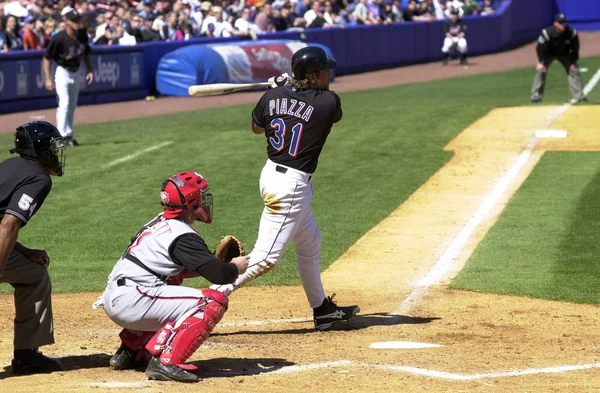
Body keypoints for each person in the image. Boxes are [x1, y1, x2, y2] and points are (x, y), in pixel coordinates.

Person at [211, 46, 360, 331]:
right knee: (266, 258)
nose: (330, 74)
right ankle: (207, 299)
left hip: (272, 176)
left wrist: (281, 91)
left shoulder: (271, 95)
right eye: (325, 71)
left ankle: (322, 309)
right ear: (313, 76)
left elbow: (257, 128)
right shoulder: (327, 102)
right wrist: (291, 89)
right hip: (289, 188)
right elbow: (330, 109)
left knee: (309, 243)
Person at [99, 172, 250, 383]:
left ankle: (131, 351)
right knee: (211, 302)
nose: (205, 200)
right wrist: (234, 267)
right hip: (134, 300)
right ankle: (167, 362)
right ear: (191, 202)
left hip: (117, 296)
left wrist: (214, 265)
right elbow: (221, 276)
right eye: (201, 196)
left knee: (173, 281)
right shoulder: (183, 235)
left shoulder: (160, 222)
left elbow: (182, 270)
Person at [0, 121, 66, 375]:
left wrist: (25, 253)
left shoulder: (8, 167)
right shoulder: (38, 178)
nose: (55, 150)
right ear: (38, 149)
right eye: (51, 146)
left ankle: (27, 355)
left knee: (34, 274)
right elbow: (8, 224)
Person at [43, 6, 94, 147]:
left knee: (72, 105)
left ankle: (69, 135)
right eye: (74, 20)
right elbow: (46, 58)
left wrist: (90, 69)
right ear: (67, 22)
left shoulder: (82, 35)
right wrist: (48, 78)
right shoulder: (59, 38)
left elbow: (87, 53)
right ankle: (61, 136)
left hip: (76, 71)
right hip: (62, 71)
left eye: (78, 19)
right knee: (64, 104)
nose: (77, 22)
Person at [531, 13, 587, 103]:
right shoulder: (547, 32)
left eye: (564, 22)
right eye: (561, 23)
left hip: (564, 54)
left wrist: (573, 61)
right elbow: (540, 48)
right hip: (548, 54)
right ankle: (536, 96)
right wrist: (541, 62)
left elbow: (575, 47)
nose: (563, 25)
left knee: (574, 69)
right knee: (541, 70)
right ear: (555, 23)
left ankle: (580, 97)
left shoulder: (571, 32)